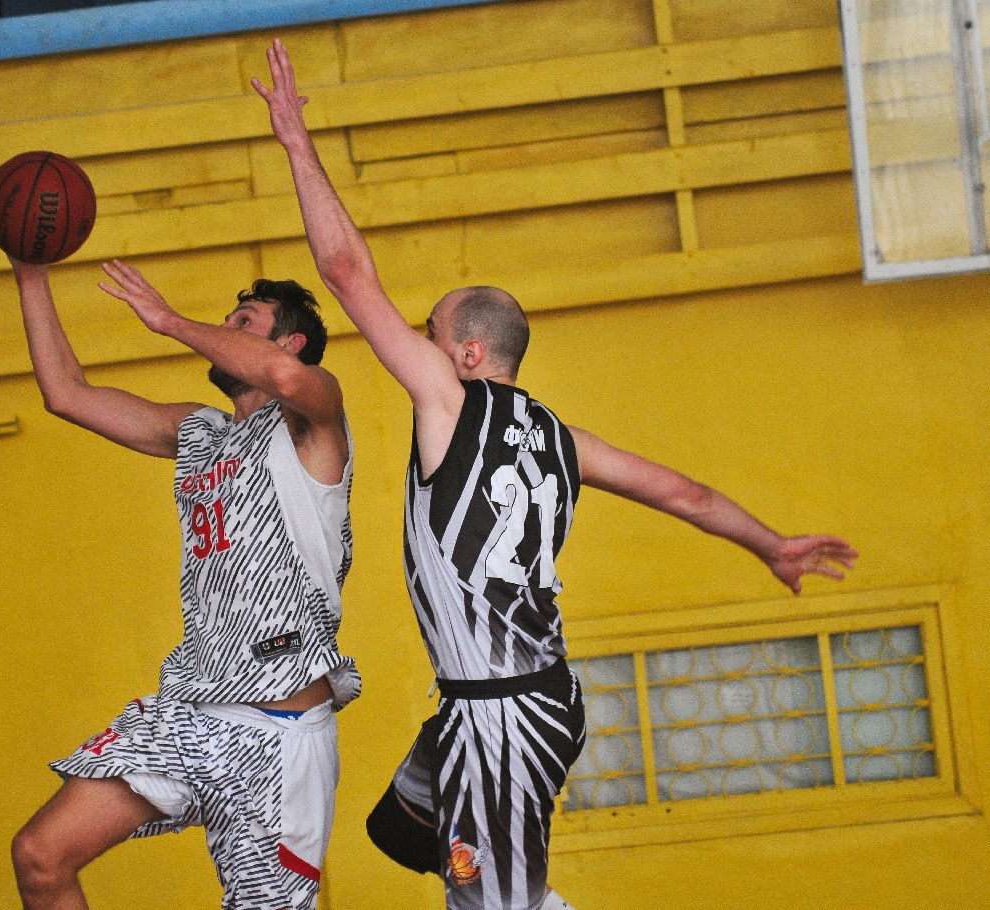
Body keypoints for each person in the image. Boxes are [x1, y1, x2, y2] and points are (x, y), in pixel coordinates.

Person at [252, 38, 859, 910]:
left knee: (488, 901)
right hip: (521, 702)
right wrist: (769, 545)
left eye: (429, 333)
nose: (417, 344)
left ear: (468, 353)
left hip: (501, 715)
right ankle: (491, 864)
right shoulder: (563, 442)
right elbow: (683, 494)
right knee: (401, 830)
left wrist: (295, 141)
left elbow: (346, 273)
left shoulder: (449, 402)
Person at [6, 255, 361, 910]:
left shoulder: (312, 421)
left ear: (290, 342)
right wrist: (30, 274)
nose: (223, 328)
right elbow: (67, 394)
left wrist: (169, 321)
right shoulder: (198, 431)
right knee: (40, 855)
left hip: (277, 737)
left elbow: (285, 379)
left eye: (243, 320)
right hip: (191, 716)